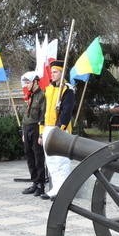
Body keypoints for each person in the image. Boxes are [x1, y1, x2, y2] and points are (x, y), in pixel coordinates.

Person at [40, 60, 75, 201]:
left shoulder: (67, 89)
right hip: (48, 128)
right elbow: (44, 111)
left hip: (59, 129)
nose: (52, 74)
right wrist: (42, 131)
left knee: (61, 161)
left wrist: (60, 129)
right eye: (52, 72)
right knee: (51, 161)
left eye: (55, 72)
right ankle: (56, 188)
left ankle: (62, 190)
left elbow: (67, 111)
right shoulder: (48, 89)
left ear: (62, 73)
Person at [19, 71, 46, 197]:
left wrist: (41, 135)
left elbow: (42, 116)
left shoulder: (42, 96)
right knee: (29, 156)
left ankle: (41, 184)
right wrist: (23, 132)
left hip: (36, 128)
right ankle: (34, 182)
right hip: (27, 127)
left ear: (35, 81)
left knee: (38, 156)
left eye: (28, 82)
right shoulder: (29, 96)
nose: (26, 85)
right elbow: (26, 115)